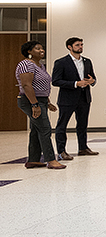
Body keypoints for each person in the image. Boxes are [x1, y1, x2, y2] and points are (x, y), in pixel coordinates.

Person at [15, 41, 64, 170]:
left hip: (40, 100)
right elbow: (27, 85)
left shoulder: (40, 66)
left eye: (42, 48)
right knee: (45, 128)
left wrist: (47, 102)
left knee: (37, 129)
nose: (41, 50)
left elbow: (40, 86)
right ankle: (51, 160)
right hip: (29, 100)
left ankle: (33, 160)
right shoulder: (26, 64)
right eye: (37, 48)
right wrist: (35, 104)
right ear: (29, 52)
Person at [51, 37, 98, 161]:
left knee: (82, 124)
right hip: (67, 99)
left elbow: (93, 78)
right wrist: (75, 83)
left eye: (81, 44)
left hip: (84, 98)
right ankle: (61, 151)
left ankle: (83, 148)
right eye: (77, 45)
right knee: (62, 125)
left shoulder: (87, 61)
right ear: (69, 47)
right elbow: (55, 81)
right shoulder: (61, 62)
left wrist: (92, 81)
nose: (80, 47)